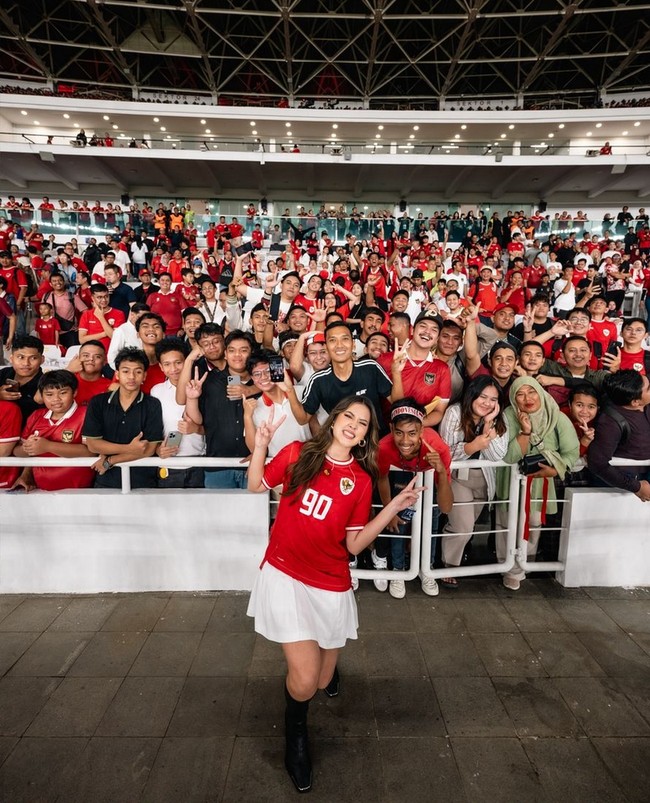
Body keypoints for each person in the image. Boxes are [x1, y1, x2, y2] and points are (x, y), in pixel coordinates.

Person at [246, 396, 424, 793]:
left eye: (362, 424)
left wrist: (393, 503)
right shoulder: (297, 452)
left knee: (324, 677)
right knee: (307, 682)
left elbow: (355, 545)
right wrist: (260, 445)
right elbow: (256, 484)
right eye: (349, 417)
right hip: (286, 575)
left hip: (330, 582)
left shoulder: (360, 481)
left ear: (365, 436)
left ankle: (317, 665)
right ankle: (296, 737)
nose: (354, 426)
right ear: (334, 419)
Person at [495, 377, 580, 590]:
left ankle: (526, 561)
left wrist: (555, 469)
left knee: (534, 522)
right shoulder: (507, 416)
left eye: (531, 392)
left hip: (542, 481)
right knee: (508, 523)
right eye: (520, 394)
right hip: (512, 480)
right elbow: (509, 456)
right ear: (514, 399)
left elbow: (571, 451)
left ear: (540, 393)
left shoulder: (556, 417)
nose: (527, 399)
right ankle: (508, 568)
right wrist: (525, 432)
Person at [377, 399, 453, 598]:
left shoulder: (438, 448)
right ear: (391, 428)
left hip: (428, 474)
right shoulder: (384, 447)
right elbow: (382, 478)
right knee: (398, 522)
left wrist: (443, 473)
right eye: (399, 432)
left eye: (412, 433)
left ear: (421, 431)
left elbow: (446, 507)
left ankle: (426, 569)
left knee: (433, 519)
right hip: (401, 473)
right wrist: (388, 512)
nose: (405, 440)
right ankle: (398, 570)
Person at [439, 377, 509, 586]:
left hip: (485, 480)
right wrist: (473, 446)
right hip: (459, 478)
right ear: (472, 394)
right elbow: (446, 453)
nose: (487, 403)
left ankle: (452, 562)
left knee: (467, 528)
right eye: (483, 397)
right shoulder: (455, 412)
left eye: (493, 399)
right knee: (463, 527)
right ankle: (447, 567)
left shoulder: (497, 418)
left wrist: (488, 424)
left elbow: (497, 455)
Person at [82, 347, 164, 489]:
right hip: (105, 480)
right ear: (117, 374)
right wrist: (130, 448)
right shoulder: (98, 402)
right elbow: (93, 444)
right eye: (126, 371)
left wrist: (111, 460)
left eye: (137, 372)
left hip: (143, 481)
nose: (131, 377)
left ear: (144, 376)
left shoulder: (153, 404)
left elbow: (149, 449)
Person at [11, 370, 94, 491]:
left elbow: (90, 452)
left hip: (79, 491)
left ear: (74, 392)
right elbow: (17, 451)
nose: (56, 399)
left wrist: (47, 446)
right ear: (41, 395)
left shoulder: (86, 414)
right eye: (49, 394)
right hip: (39, 490)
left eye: (63, 393)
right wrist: (28, 449)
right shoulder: (36, 416)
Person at [587, 370, 650, 500]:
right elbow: (597, 463)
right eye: (649, 389)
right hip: (618, 486)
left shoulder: (644, 404)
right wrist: (636, 487)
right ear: (635, 402)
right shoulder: (610, 423)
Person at [151, 338, 206, 488]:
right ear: (161, 367)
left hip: (200, 462)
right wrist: (157, 449)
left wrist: (196, 429)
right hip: (169, 464)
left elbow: (213, 426)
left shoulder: (201, 386)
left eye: (178, 362)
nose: (174, 369)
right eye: (167, 364)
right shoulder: (156, 391)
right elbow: (153, 429)